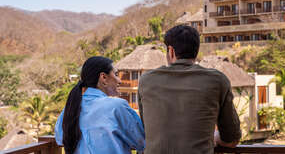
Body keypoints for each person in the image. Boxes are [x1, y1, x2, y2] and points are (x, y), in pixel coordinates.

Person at [138, 25, 241, 154]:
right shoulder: (217, 80)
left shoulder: (146, 80)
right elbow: (232, 138)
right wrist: (212, 137)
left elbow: (147, 129)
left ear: (171, 51)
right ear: (196, 50)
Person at [55, 56, 145, 154]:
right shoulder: (117, 106)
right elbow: (141, 141)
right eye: (116, 74)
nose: (119, 81)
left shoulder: (70, 108)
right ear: (104, 78)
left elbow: (60, 138)